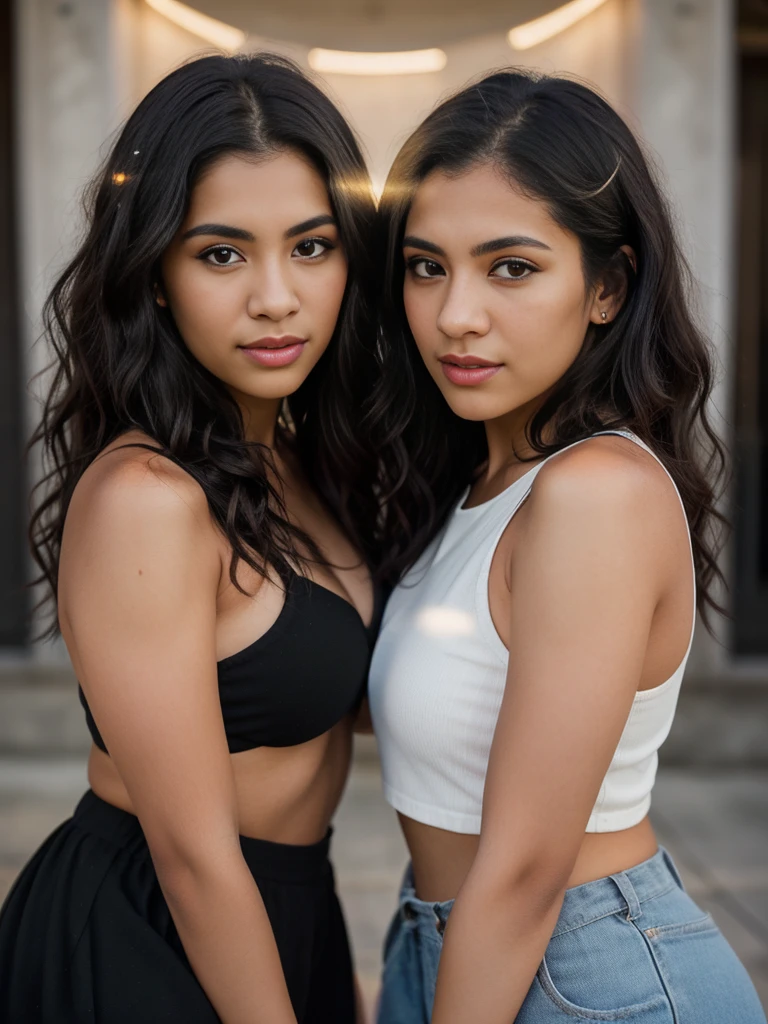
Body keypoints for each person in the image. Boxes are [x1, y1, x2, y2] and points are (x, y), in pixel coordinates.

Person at [368, 69, 766, 1024]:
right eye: (428, 266)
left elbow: (528, 865)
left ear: (607, 287)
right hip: (456, 947)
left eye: (511, 267)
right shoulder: (480, 490)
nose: (457, 313)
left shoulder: (595, 493)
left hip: (586, 977)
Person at [0, 53, 380, 1024]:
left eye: (311, 246)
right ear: (156, 276)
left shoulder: (294, 461)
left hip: (288, 916)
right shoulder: (147, 497)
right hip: (160, 934)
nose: (275, 297)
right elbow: (194, 857)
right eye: (221, 253)